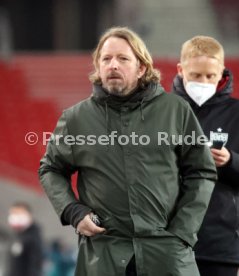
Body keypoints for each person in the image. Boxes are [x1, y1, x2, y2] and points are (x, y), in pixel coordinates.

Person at [39, 27, 217, 276]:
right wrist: (73, 211)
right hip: (104, 255)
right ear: (98, 67)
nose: (113, 65)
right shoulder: (75, 119)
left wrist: (182, 232)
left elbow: (202, 172)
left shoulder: (176, 110)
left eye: (123, 58)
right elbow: (50, 169)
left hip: (167, 253)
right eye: (106, 59)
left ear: (141, 67)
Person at [172, 35, 239, 276]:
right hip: (168, 243)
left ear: (222, 72)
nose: (203, 82)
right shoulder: (161, 110)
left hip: (220, 246)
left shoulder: (236, 114)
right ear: (181, 70)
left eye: (210, 76)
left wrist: (231, 161)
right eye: (196, 75)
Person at [4, 202, 43, 276]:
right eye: (13, 213)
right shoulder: (17, 235)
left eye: (18, 213)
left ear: (29, 215)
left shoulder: (33, 237)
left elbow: (35, 265)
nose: (15, 217)